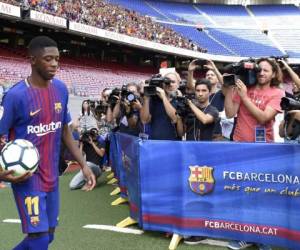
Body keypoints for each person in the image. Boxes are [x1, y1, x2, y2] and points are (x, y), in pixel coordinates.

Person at [0, 36, 96, 250]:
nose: (54, 64)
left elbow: (64, 131)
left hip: (52, 177)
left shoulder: (60, 89)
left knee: (48, 237)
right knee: (40, 240)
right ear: (32, 60)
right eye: (48, 59)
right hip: (27, 179)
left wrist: (83, 164)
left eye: (57, 59)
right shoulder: (15, 96)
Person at [224, 58, 284, 250]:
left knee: (261, 194)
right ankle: (245, 235)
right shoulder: (244, 88)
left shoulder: (277, 93)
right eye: (259, 70)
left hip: (263, 149)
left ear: (274, 74)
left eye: (266, 70)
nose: (261, 73)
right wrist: (229, 88)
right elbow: (229, 113)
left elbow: (264, 117)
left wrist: (245, 97)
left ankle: (263, 237)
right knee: (242, 193)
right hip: (240, 146)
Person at [140, 72, 183, 140]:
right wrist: (146, 99)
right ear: (162, 84)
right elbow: (144, 120)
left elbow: (174, 119)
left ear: (178, 85)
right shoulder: (154, 99)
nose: (170, 84)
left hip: (173, 143)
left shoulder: (180, 100)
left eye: (173, 82)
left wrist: (163, 97)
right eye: (167, 82)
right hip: (155, 143)